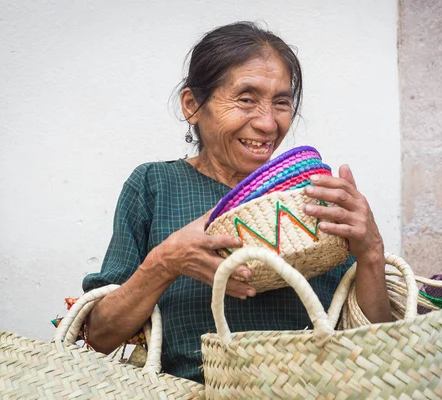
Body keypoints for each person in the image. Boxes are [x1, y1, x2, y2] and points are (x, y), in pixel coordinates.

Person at [82, 21, 391, 384]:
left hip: (317, 390)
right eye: (246, 99)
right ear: (193, 105)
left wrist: (371, 250)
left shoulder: (314, 196)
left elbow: (380, 344)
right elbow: (99, 336)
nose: (267, 123)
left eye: (281, 102)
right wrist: (165, 262)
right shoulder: (155, 186)